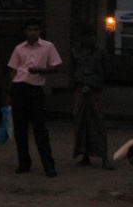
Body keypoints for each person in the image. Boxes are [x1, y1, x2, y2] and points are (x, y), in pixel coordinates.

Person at [6, 18, 63, 178]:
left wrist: (40, 71)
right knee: (20, 129)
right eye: (30, 30)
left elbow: (56, 67)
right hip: (19, 88)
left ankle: (49, 166)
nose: (33, 32)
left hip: (36, 91)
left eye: (35, 30)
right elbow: (13, 71)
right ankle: (24, 163)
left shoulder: (48, 46)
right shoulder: (19, 48)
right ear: (25, 32)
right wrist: (10, 93)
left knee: (40, 129)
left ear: (40, 31)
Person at [71, 24, 113, 170]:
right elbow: (73, 70)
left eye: (93, 36)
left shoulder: (101, 52)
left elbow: (106, 72)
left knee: (99, 122)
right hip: (80, 90)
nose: (91, 39)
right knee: (81, 121)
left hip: (95, 90)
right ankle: (84, 154)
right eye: (88, 36)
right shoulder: (75, 52)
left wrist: (94, 84)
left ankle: (104, 156)